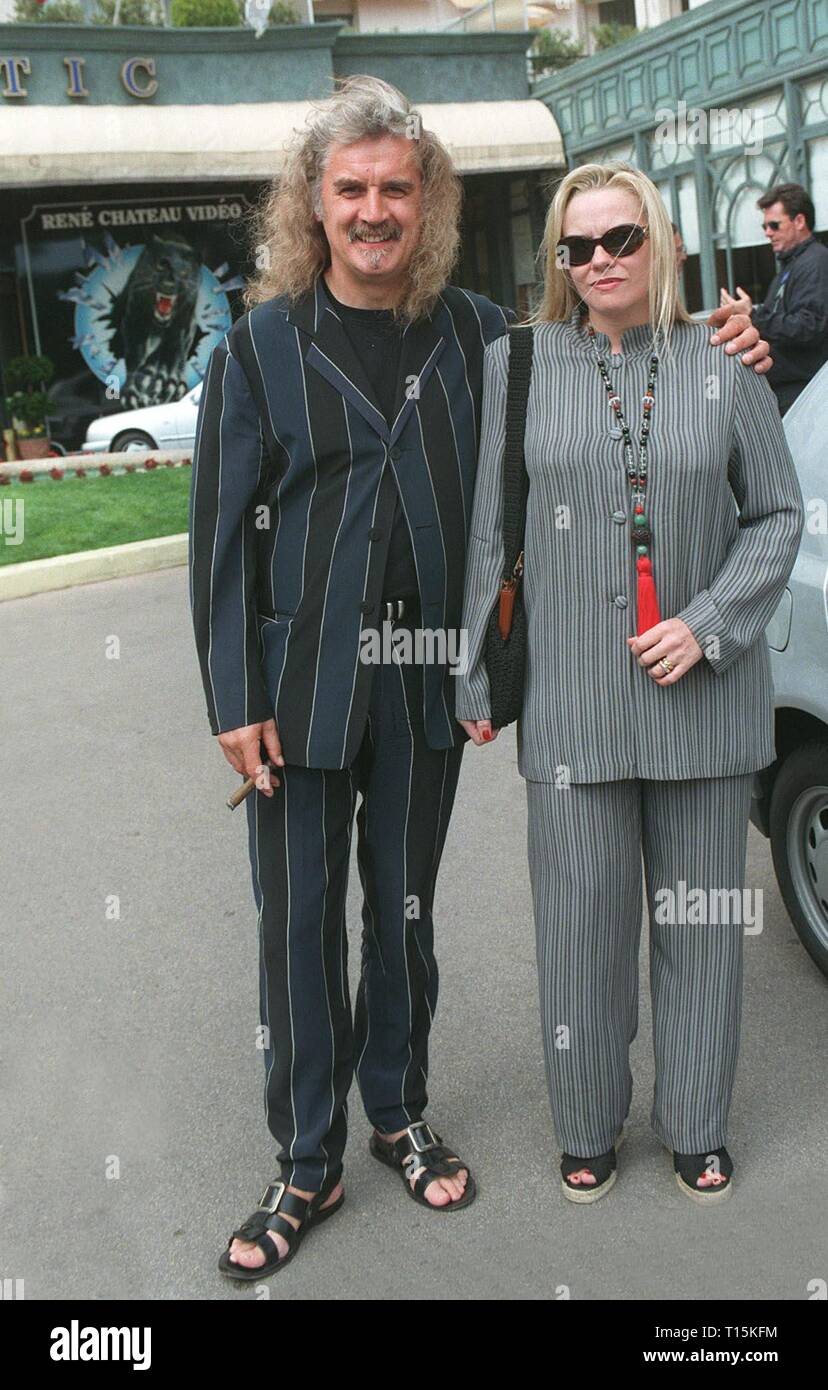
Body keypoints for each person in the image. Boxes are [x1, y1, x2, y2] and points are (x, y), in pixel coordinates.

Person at [188, 77, 773, 1276]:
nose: (373, 209)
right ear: (315, 203)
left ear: (428, 204)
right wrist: (232, 699)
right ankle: (306, 1164)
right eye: (350, 189)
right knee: (298, 929)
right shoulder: (255, 348)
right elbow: (220, 538)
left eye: (396, 188)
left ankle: (398, 1114)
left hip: (423, 692)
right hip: (298, 694)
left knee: (404, 922)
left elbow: (609, 371)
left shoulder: (480, 337)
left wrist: (743, 339)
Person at [456, 161, 803, 1206]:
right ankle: (588, 1122)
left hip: (705, 703)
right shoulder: (514, 367)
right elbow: (490, 528)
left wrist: (708, 625)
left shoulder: (726, 363)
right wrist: (474, 670)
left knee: (700, 928)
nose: (599, 260)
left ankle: (697, 1121)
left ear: (660, 242)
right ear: (558, 261)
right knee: (580, 934)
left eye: (620, 239)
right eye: (577, 246)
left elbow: (778, 516)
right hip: (572, 705)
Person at [720, 182, 828, 414]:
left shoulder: (816, 262)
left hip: (803, 394)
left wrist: (752, 314)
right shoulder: (793, 265)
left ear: (799, 221)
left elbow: (809, 326)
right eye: (765, 226)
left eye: (774, 225)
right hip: (787, 391)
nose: (768, 232)